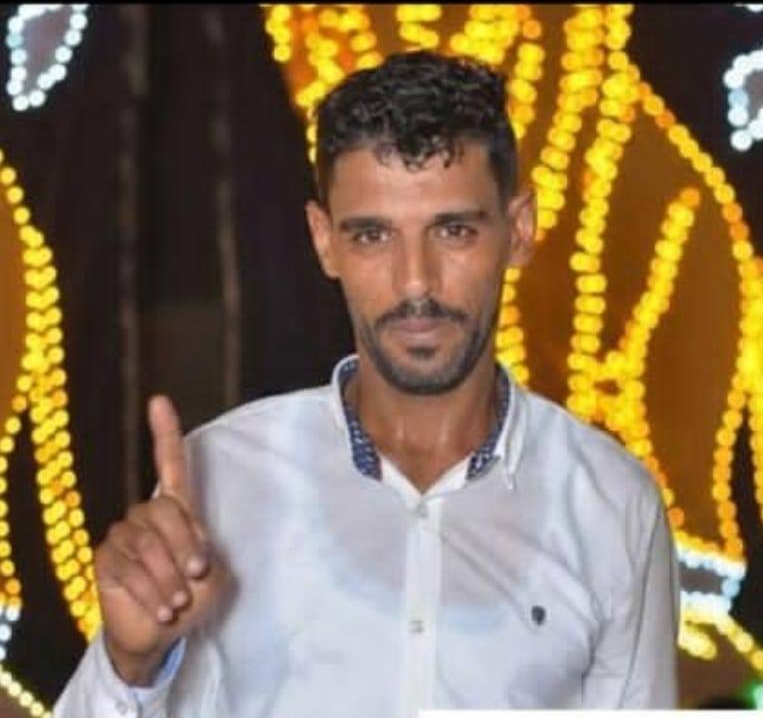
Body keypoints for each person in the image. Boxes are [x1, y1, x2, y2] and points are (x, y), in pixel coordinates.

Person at [54, 50, 679, 717]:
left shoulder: (610, 505)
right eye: (373, 235)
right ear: (324, 240)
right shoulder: (220, 478)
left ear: (518, 230)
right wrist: (130, 665)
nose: (415, 282)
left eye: (453, 230)